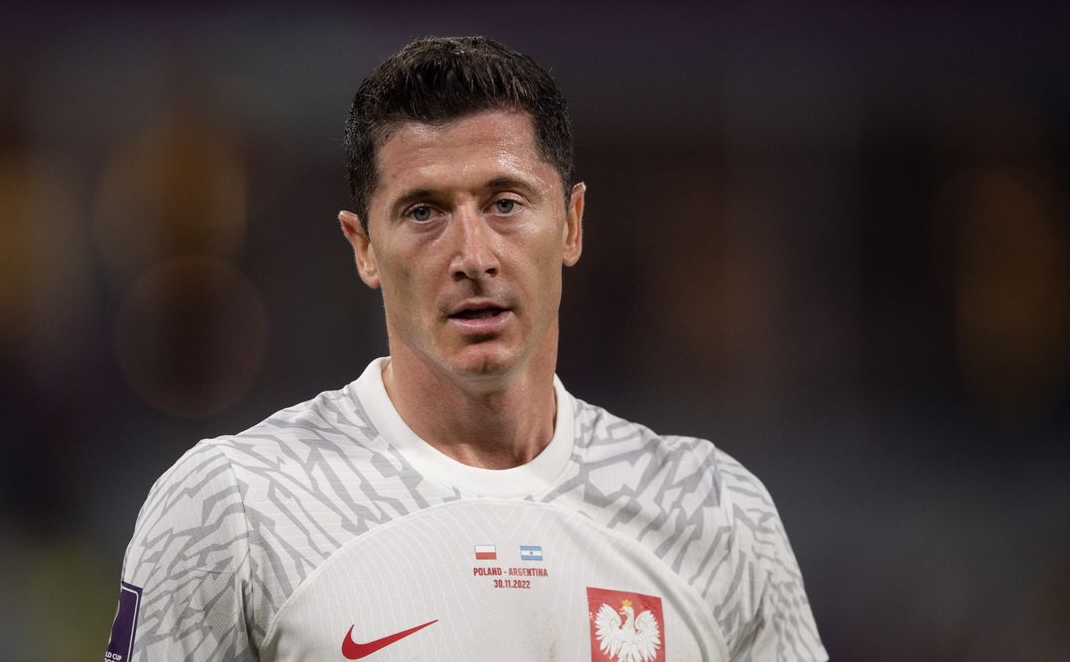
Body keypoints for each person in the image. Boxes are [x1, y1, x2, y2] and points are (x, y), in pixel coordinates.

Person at [106, 35, 826, 662]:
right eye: (425, 212)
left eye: (505, 203)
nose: (472, 254)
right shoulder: (233, 506)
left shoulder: (714, 511)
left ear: (571, 224)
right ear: (363, 248)